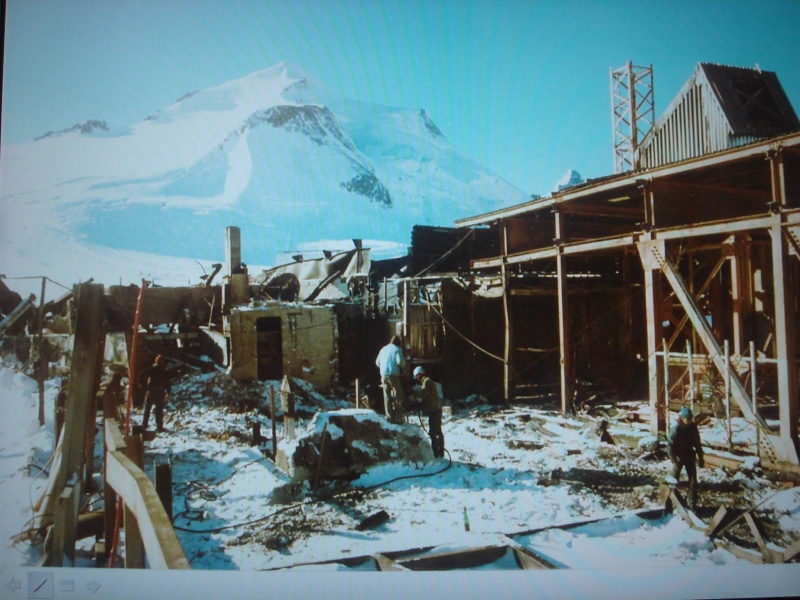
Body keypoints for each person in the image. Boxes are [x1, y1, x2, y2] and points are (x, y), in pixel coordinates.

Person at [667, 406, 704, 508]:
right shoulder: (676, 429)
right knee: (673, 479)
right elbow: (670, 444)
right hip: (679, 456)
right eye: (687, 419)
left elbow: (697, 443)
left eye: (690, 419)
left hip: (689, 455)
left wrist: (701, 457)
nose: (688, 422)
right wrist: (673, 459)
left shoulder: (693, 428)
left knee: (693, 480)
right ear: (682, 418)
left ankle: (692, 502)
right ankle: (669, 499)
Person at [413, 366, 445, 458]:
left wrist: (412, 392)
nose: (417, 378)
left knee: (433, 432)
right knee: (438, 431)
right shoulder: (427, 381)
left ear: (421, 373)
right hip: (436, 409)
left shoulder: (426, 382)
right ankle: (440, 452)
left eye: (417, 376)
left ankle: (436, 453)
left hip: (434, 411)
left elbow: (423, 393)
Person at [375, 335, 406, 424]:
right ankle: (398, 417)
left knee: (387, 396)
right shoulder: (397, 349)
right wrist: (403, 366)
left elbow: (377, 363)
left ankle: (389, 417)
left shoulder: (383, 349)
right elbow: (400, 362)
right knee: (397, 395)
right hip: (393, 375)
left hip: (384, 375)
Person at [141, 355, 170, 432]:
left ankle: (144, 425)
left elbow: (142, 374)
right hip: (160, 392)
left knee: (147, 409)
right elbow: (168, 383)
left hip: (151, 391)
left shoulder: (152, 369)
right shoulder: (164, 371)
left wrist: (143, 386)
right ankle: (159, 427)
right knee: (159, 410)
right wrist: (169, 392)